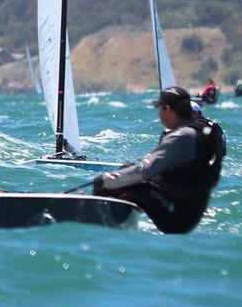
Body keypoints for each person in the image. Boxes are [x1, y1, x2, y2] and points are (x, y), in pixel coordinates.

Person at [92, 86, 225, 234]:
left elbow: (144, 170)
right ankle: (121, 217)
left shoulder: (182, 136)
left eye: (160, 108)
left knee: (115, 183)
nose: (159, 113)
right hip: (190, 210)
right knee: (128, 175)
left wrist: (105, 179)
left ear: (168, 109)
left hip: (178, 213)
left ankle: (100, 225)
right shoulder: (198, 131)